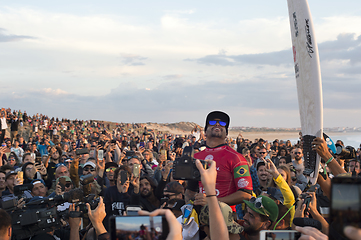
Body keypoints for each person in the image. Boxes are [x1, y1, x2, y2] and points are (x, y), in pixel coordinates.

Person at [185, 111, 253, 207]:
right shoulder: (196, 157)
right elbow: (191, 189)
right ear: (205, 131)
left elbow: (246, 194)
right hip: (200, 215)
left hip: (225, 216)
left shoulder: (237, 158)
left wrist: (212, 201)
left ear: (226, 133)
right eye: (212, 122)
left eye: (222, 123)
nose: (217, 124)